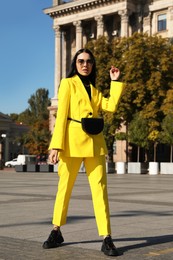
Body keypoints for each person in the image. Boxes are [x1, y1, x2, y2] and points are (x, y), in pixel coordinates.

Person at [42, 48, 124, 256]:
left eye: (88, 61)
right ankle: (56, 230)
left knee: (100, 191)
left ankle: (106, 237)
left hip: (95, 144)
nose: (85, 64)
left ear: (93, 65)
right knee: (64, 189)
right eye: (80, 61)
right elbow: (61, 116)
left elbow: (111, 106)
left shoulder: (95, 90)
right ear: (75, 64)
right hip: (71, 143)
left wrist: (115, 82)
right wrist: (56, 145)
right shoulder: (67, 84)